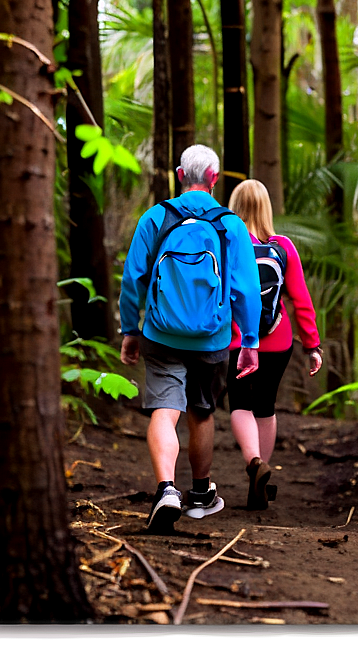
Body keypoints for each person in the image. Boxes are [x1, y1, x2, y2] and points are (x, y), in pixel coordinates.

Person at [119, 145, 262, 532]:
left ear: (180, 174)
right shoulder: (230, 225)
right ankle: (200, 495)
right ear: (214, 178)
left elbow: (133, 278)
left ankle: (167, 490)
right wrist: (250, 341)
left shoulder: (156, 217)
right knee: (201, 411)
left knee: (165, 410)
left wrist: (130, 330)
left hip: (160, 333)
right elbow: (247, 289)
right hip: (212, 338)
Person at [226, 179, 323, 510]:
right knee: (265, 406)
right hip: (278, 339)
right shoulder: (283, 247)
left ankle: (254, 463)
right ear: (266, 208)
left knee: (240, 404)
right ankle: (260, 481)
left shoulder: (227, 244)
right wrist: (312, 345)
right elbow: (300, 299)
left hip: (236, 339)